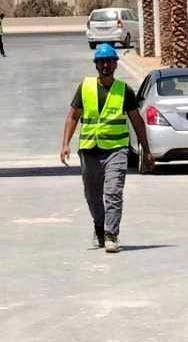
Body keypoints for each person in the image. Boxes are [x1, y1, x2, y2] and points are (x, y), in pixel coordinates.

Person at [57, 43, 148, 253]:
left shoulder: (124, 90)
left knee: (113, 192)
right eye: (101, 62)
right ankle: (99, 226)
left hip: (116, 149)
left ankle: (111, 234)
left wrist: (147, 149)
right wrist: (65, 144)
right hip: (89, 150)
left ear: (116, 65)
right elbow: (73, 115)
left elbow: (137, 121)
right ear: (96, 65)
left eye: (109, 61)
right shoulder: (85, 87)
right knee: (92, 194)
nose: (106, 65)